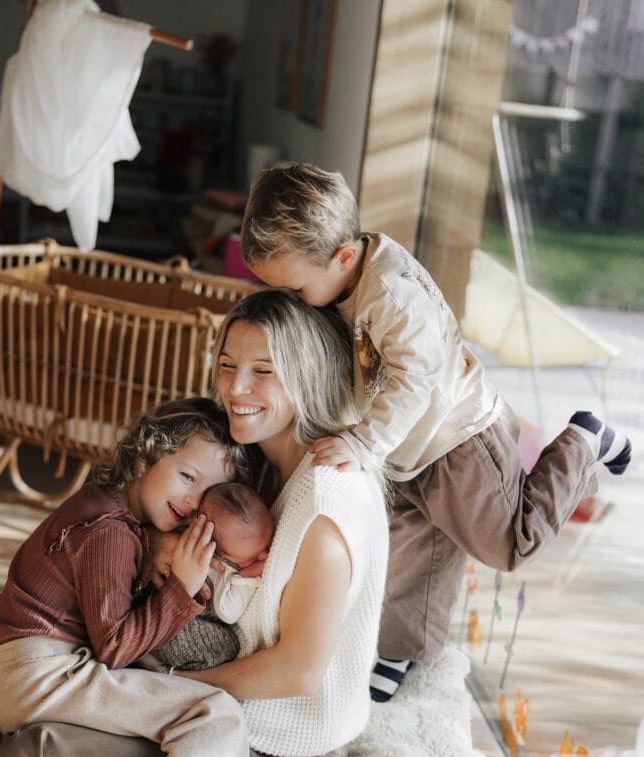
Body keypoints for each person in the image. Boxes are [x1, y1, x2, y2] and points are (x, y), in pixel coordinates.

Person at [0, 291, 389, 757]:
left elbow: (297, 671)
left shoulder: (326, 500)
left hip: (278, 743)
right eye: (227, 364)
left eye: (263, 371)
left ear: (306, 377)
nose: (236, 386)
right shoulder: (255, 468)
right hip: (215, 687)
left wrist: (182, 688)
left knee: (37, 751)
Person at [239, 162, 632, 699]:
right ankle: (402, 649)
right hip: (408, 452)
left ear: (343, 257)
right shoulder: (346, 270)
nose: (295, 300)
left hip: (460, 440)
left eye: (297, 289)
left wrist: (362, 442)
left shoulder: (395, 298)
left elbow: (417, 379)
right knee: (409, 555)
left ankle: (584, 440)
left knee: (510, 545)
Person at [0, 396, 255, 757]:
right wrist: (184, 587)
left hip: (19, 668)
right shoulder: (108, 529)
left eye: (207, 495)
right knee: (212, 710)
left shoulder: (108, 508)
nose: (192, 501)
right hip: (40, 675)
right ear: (145, 455)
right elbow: (115, 647)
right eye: (185, 476)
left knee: (168, 697)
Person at [141, 481, 274, 672]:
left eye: (267, 544)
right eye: (251, 558)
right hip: (171, 622)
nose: (264, 557)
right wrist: (248, 576)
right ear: (216, 550)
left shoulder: (224, 541)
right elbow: (228, 612)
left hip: (156, 609)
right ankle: (154, 662)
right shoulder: (217, 565)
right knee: (226, 647)